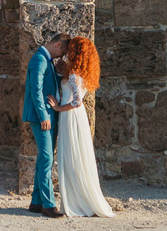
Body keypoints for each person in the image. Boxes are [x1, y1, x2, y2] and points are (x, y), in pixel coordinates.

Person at [46, 36, 115, 218]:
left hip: (70, 116)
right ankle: (78, 199)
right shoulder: (77, 72)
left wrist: (57, 108)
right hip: (76, 117)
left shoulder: (75, 74)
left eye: (71, 49)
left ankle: (76, 202)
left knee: (71, 156)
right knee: (76, 156)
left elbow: (76, 101)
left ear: (76, 52)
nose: (67, 51)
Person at [21, 33, 71, 218]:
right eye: (63, 52)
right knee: (47, 157)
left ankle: (36, 202)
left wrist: (59, 74)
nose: (62, 56)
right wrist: (43, 116)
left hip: (50, 115)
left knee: (44, 157)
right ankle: (48, 204)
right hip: (41, 116)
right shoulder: (39, 60)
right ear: (58, 45)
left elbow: (49, 86)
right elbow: (36, 90)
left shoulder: (47, 60)